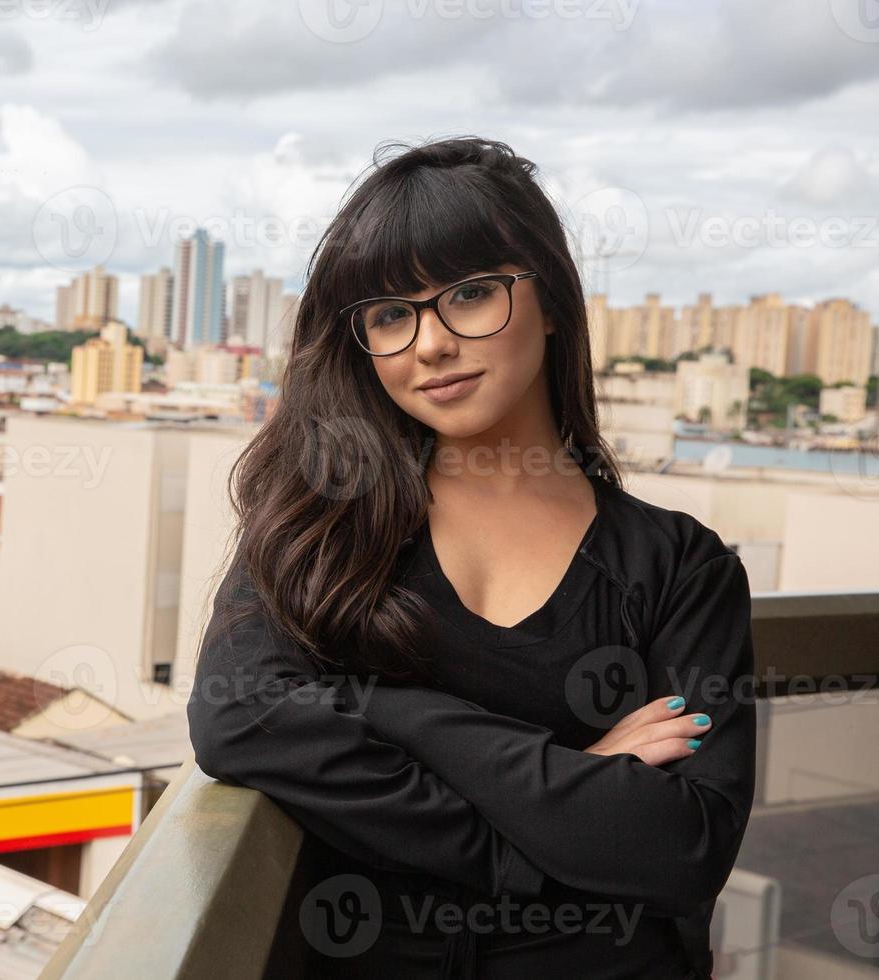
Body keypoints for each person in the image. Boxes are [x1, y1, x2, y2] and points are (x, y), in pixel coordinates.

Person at [186, 136, 756, 979]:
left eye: (472, 293)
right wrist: (566, 793)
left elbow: (685, 844)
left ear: (554, 301)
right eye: (390, 313)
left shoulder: (680, 566)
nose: (430, 344)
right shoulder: (324, 522)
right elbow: (240, 721)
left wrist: (382, 710)